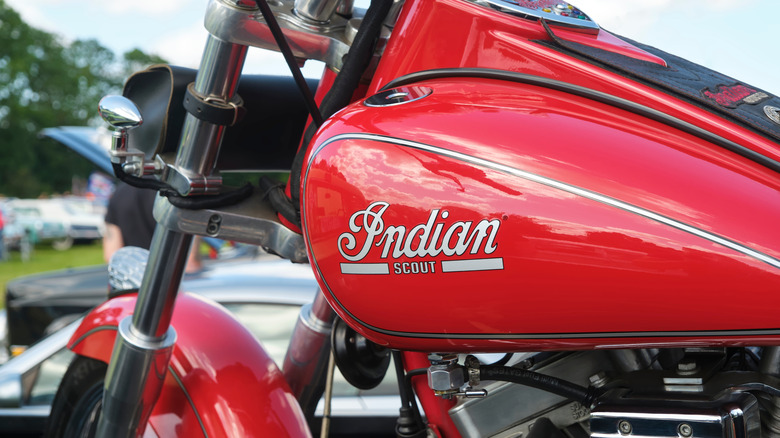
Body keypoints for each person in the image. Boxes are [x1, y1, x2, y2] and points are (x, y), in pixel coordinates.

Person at [103, 183, 202, 273]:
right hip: (171, 280)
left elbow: (113, 256)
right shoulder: (177, 193)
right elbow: (189, 261)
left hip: (134, 279)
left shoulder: (119, 193)